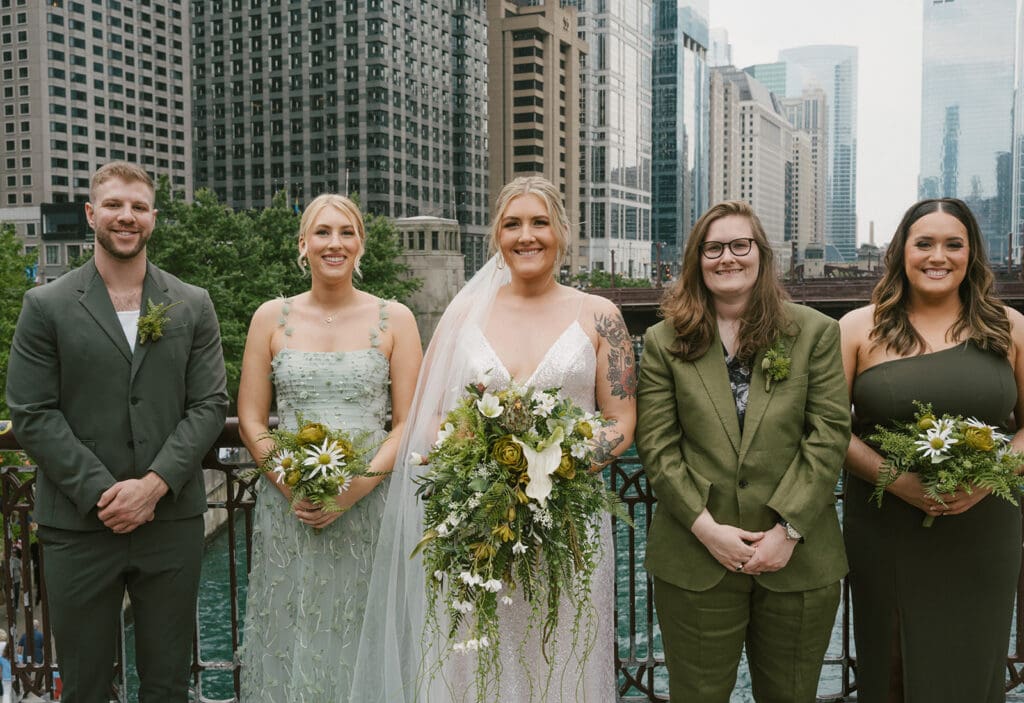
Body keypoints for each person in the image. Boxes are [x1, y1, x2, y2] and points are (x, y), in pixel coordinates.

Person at [350, 176, 637, 702]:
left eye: (539, 222)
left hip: (571, 532)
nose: (526, 236)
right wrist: (470, 461)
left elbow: (620, 420)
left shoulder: (602, 317)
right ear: (496, 237)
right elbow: (431, 416)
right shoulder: (462, 315)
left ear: (563, 233)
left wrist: (558, 467)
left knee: (562, 663)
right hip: (481, 527)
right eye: (512, 224)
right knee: (479, 666)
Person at [5, 161, 229, 701]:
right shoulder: (46, 305)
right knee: (82, 686)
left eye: (137, 207)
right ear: (91, 214)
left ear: (152, 217)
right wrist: (105, 494)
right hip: (79, 527)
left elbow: (208, 405)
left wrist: (152, 486)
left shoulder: (193, 303)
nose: (126, 216)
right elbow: (31, 410)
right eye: (113, 205)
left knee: (169, 684)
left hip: (171, 523)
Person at [635, 200, 850, 702]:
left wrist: (788, 530)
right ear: (696, 260)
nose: (727, 257)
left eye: (740, 245)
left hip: (797, 559)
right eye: (713, 248)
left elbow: (829, 435)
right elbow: (658, 446)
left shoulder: (815, 332)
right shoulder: (663, 342)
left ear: (761, 255)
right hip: (695, 556)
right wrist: (707, 530)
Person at [236, 193, 422, 701]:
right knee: (294, 635)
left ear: (361, 244)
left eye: (346, 232)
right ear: (303, 244)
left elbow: (407, 422)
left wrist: (352, 491)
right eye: (322, 232)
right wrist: (289, 482)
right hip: (290, 510)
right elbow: (252, 419)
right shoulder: (269, 318)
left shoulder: (397, 319)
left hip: (371, 508)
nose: (334, 243)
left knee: (365, 634)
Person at [840, 198, 1024, 702]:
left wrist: (986, 480)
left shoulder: (1009, 327)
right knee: (893, 667)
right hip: (886, 528)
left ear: (972, 254)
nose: (937, 256)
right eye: (924, 243)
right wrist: (901, 484)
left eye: (953, 244)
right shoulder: (859, 327)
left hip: (984, 528)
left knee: (973, 666)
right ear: (902, 251)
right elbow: (829, 428)